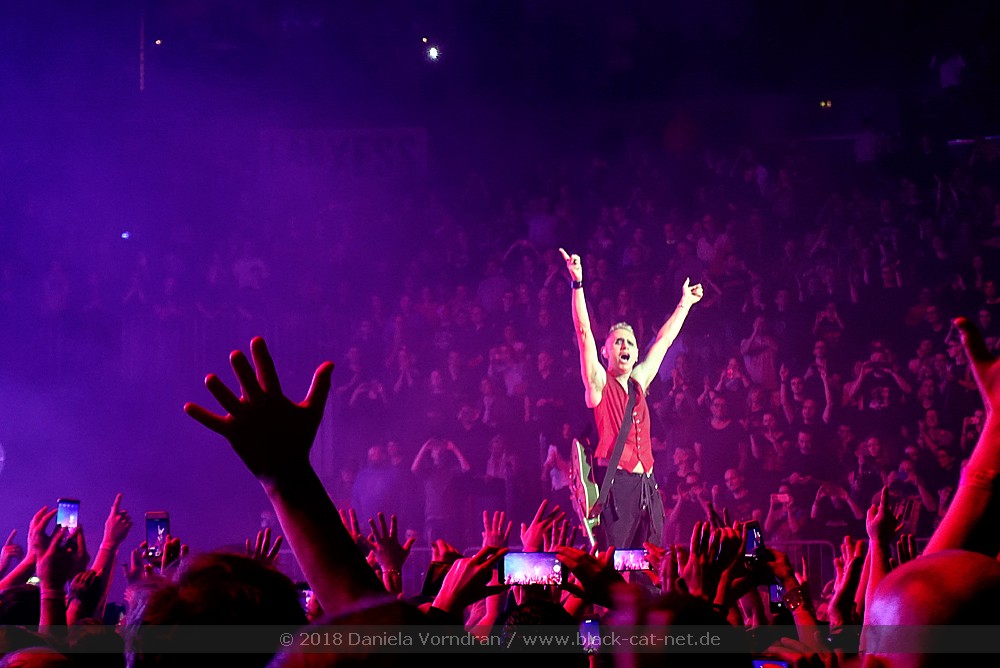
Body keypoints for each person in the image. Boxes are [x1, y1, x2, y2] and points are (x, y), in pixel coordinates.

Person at [558, 247, 703, 550]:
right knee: (616, 564)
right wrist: (577, 284)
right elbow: (583, 333)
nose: (624, 346)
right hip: (618, 487)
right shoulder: (599, 384)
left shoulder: (639, 382)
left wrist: (685, 304)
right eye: (617, 342)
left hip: (648, 486)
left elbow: (664, 340)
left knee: (650, 565)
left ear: (636, 353)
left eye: (630, 343)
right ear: (605, 352)